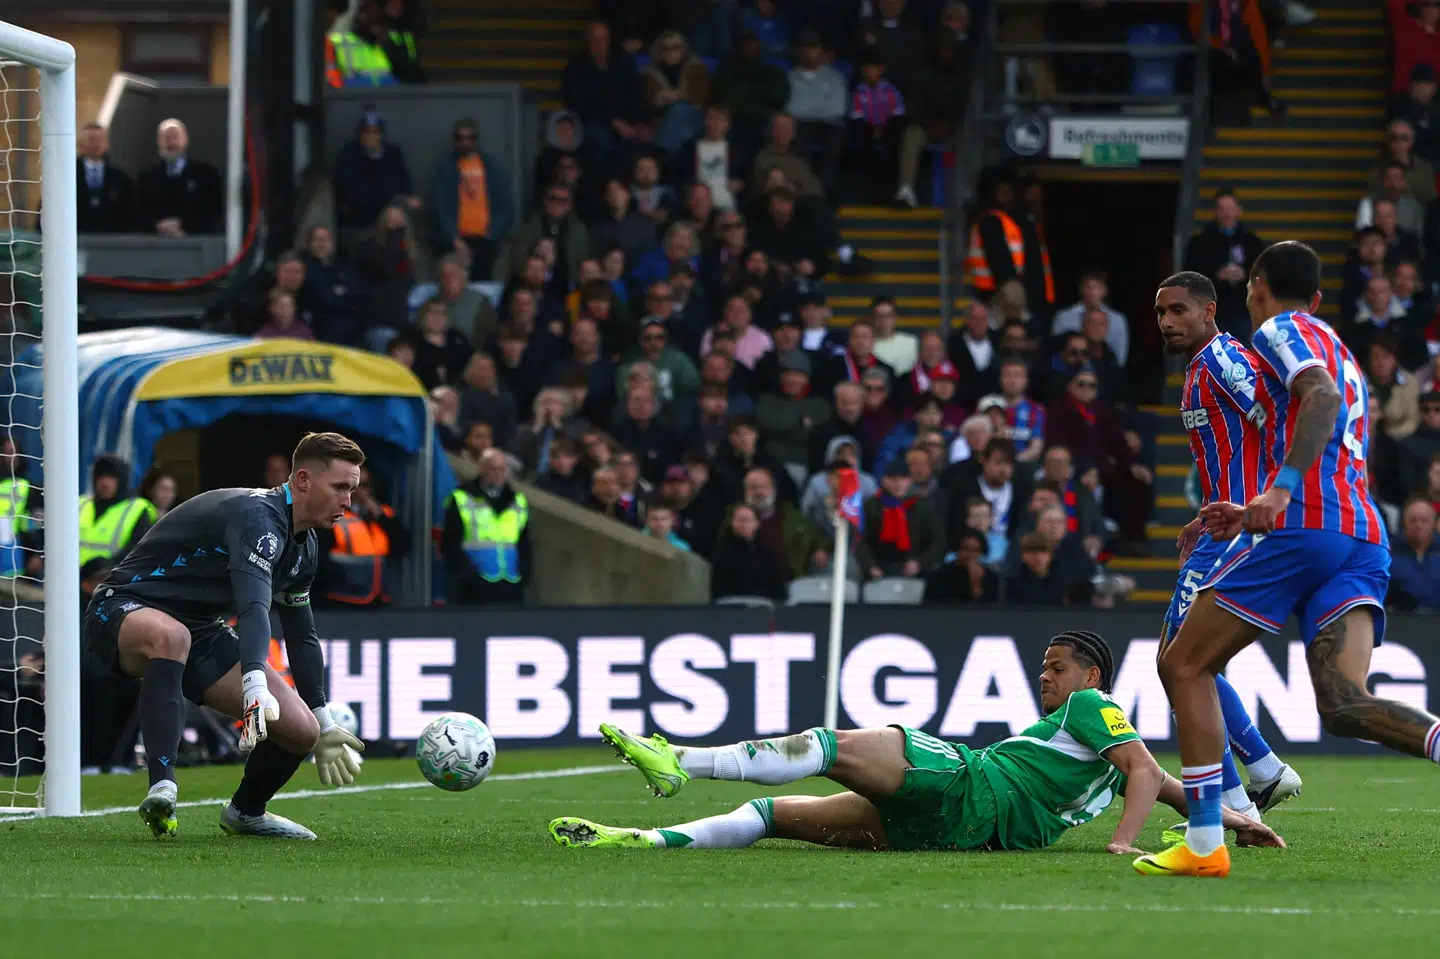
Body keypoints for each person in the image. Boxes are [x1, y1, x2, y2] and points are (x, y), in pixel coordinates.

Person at [1143, 241, 1440, 878]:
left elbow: (1319, 400)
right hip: (1361, 533)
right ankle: (1256, 781)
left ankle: (1206, 837)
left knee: (1183, 663)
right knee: (1342, 704)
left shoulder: (1279, 330)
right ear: (1322, 298)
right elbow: (1309, 418)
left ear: (1253, 290)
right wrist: (1245, 506)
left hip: (1305, 524)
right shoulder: (1343, 350)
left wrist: (1277, 493)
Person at [549, 631, 1284, 855]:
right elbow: (1151, 781)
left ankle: (681, 760)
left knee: (827, 741)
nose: (1045, 677)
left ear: (1092, 674)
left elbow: (1143, 768)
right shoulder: (1093, 756)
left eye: (1055, 667)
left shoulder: (1093, 704)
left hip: (966, 782)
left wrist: (1126, 846)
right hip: (964, 836)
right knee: (775, 814)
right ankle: (648, 839)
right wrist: (1231, 822)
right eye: (1042, 667)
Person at [81, 433, 367, 840]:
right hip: (121, 607)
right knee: (172, 635)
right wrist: (253, 681)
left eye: (353, 489)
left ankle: (246, 812)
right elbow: (253, 609)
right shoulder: (259, 518)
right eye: (340, 487)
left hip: (200, 629)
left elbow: (302, 635)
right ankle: (162, 786)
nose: (348, 501)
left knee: (300, 731)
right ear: (302, 480)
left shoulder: (305, 547)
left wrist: (323, 720)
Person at [1153, 271, 1303, 821]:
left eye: (1178, 311)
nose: (1167, 322)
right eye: (1161, 313)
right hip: (1220, 526)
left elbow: (1279, 423)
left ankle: (1238, 798)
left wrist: (1263, 504)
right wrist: (1205, 512)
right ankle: (1260, 775)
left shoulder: (1224, 361)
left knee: (1177, 663)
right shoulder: (1197, 370)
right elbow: (1234, 452)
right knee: (1191, 663)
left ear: (1209, 311)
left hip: (1240, 532)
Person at [442, 449, 531, 606]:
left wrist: (524, 578)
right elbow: (450, 544)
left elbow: (525, 545)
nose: (498, 474)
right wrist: (468, 577)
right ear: (482, 469)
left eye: (502, 469)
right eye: (493, 468)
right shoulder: (461, 498)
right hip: (472, 588)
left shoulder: (518, 501)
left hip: (510, 584)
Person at [136, 119, 222, 236]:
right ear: (158, 142)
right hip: (156, 243)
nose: (171, 142)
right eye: (166, 138)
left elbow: (212, 209)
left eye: (175, 137)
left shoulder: (206, 174)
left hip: (197, 242)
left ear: (185, 140)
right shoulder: (147, 177)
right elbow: (139, 211)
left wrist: (183, 225)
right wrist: (158, 225)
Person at [75, 122, 135, 233]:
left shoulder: (121, 178)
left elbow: (129, 213)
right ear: (79, 144)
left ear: (107, 144)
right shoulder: (66, 177)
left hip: (110, 240)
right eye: (91, 139)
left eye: (99, 140)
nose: (95, 144)